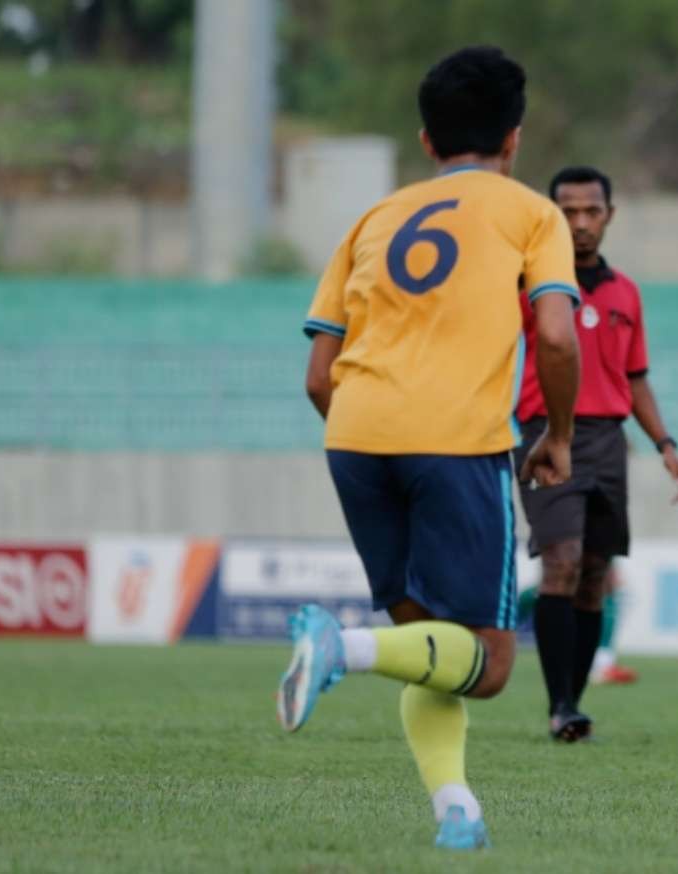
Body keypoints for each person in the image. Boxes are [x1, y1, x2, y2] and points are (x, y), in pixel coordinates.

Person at [276, 45, 581, 850]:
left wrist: (371, 436)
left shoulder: (373, 219)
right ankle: (337, 645)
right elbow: (555, 331)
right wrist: (556, 433)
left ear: (425, 140)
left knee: (430, 646)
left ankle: (457, 812)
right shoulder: (530, 212)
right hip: (453, 442)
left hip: (353, 435)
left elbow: (317, 375)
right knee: (490, 662)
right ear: (514, 140)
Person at [513, 165, 678, 741]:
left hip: (609, 443)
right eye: (569, 212)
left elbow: (635, 378)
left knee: (594, 574)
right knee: (559, 561)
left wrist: (665, 444)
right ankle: (560, 704)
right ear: (552, 216)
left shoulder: (625, 293)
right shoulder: (527, 286)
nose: (581, 223)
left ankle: (573, 702)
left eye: (592, 211)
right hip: (545, 433)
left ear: (609, 216)